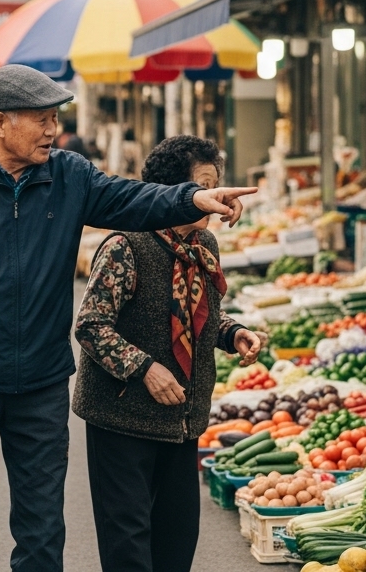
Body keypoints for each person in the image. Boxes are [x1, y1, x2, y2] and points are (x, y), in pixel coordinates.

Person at [0, 65, 254, 572]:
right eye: (40, 119)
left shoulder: (70, 174)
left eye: (54, 118)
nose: (52, 130)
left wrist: (191, 197)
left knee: (42, 525)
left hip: (41, 382)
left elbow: (131, 197)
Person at [73, 136, 267, 572]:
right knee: (129, 549)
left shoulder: (204, 248)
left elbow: (201, 316)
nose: (216, 197)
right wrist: (144, 368)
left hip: (182, 419)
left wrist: (232, 332)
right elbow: (90, 325)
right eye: (204, 186)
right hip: (122, 419)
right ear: (173, 193)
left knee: (177, 542)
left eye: (216, 185)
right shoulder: (127, 246)